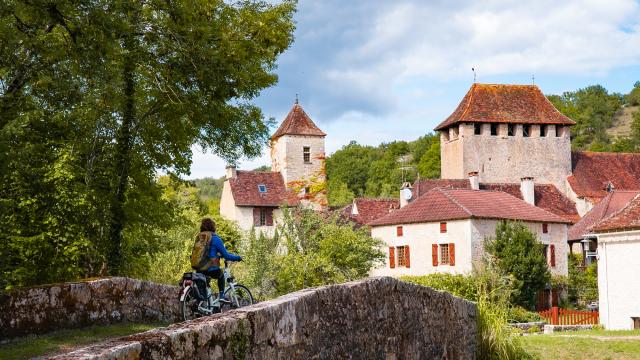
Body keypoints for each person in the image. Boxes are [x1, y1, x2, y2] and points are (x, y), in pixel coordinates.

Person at [197, 218, 242, 307]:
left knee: (206, 286)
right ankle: (221, 295)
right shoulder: (216, 239)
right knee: (220, 274)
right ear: (213, 227)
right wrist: (238, 257)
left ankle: (205, 306)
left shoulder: (199, 238)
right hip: (210, 268)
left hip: (199, 268)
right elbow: (227, 256)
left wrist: (217, 255)